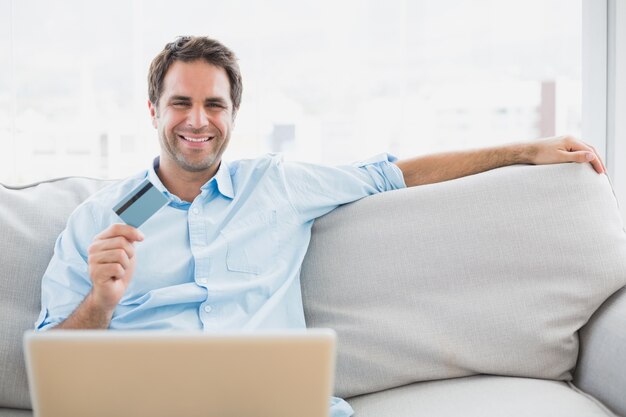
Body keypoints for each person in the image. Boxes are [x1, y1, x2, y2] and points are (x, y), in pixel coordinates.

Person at [35, 36, 607, 417]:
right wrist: (100, 305)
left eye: (215, 105)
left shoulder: (278, 187)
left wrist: (527, 150)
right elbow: (50, 375)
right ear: (153, 110)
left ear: (234, 114)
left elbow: (393, 175)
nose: (197, 120)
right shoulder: (98, 221)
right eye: (180, 102)